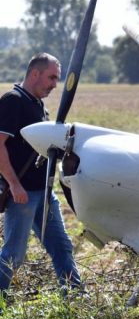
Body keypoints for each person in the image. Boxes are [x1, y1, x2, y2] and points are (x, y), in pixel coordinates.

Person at [0, 53, 81, 296]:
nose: (55, 84)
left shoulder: (37, 104)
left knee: (62, 247)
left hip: (43, 193)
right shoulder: (13, 101)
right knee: (13, 254)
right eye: (52, 77)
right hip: (22, 194)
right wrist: (14, 185)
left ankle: (75, 296)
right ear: (35, 74)